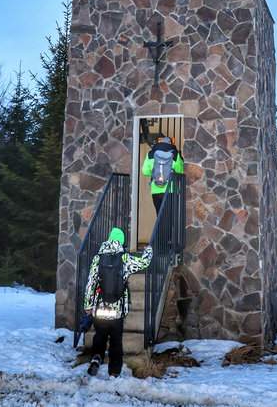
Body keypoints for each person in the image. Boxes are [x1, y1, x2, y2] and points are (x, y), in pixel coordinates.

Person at [84, 226, 152, 377]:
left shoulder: (98, 258)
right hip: (118, 309)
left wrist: (88, 306)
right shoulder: (125, 258)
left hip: (100, 308)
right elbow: (144, 263)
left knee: (100, 335)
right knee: (116, 341)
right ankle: (114, 372)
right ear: (121, 241)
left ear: (109, 239)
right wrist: (148, 251)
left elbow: (90, 283)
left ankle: (96, 358)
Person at [141, 133, 184, 215]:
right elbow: (180, 171)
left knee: (160, 215)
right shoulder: (175, 154)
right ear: (170, 144)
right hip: (171, 189)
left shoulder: (150, 154)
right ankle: (170, 228)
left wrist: (154, 172)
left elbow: (145, 171)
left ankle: (161, 228)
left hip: (156, 190)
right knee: (170, 216)